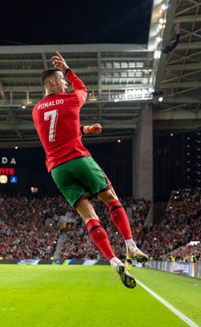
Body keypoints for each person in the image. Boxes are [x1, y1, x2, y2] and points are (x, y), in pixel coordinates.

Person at [32, 52, 148, 289]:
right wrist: (67, 69)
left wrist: (84, 129)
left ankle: (113, 260)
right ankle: (130, 245)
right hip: (78, 158)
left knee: (88, 217)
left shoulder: (36, 111)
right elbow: (83, 89)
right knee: (110, 198)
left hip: (57, 170)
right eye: (61, 81)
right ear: (52, 82)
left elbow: (56, 133)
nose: (65, 84)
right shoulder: (70, 99)